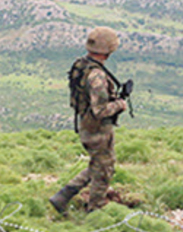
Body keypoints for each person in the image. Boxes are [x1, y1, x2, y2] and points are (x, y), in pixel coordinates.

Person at [49, 26, 128, 215]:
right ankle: (95, 210)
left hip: (86, 124)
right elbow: (100, 110)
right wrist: (120, 104)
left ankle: (63, 196)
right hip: (97, 129)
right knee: (104, 169)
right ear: (108, 50)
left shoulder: (82, 64)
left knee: (97, 164)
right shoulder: (97, 75)